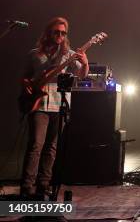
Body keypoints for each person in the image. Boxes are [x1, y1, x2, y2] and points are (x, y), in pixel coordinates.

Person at [20, 17, 88, 198]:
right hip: (39, 104)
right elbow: (25, 77)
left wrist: (85, 62)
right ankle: (27, 187)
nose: (59, 35)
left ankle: (43, 186)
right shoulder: (34, 54)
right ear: (48, 33)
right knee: (36, 145)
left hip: (59, 105)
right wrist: (27, 84)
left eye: (63, 33)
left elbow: (81, 75)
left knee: (51, 147)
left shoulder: (69, 54)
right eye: (56, 32)